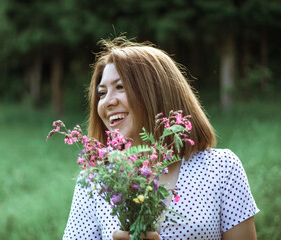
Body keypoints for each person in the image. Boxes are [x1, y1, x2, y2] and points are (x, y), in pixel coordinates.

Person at [63, 37, 259, 240]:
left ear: (156, 92)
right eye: (101, 93)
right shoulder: (98, 180)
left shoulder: (221, 168)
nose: (107, 102)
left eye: (120, 87)